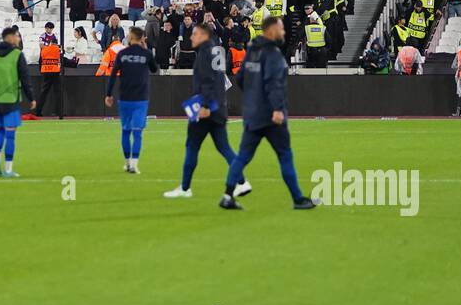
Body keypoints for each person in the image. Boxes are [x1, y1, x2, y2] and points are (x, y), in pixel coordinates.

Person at [219, 17, 315, 211]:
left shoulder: (252, 51)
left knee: (243, 156)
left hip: (252, 113)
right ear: (271, 31)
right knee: (285, 155)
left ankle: (227, 195)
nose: (284, 32)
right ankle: (297, 198)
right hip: (271, 116)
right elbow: (274, 85)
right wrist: (278, 109)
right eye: (281, 29)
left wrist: (254, 98)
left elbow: (241, 79)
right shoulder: (273, 55)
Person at [163, 23, 250, 199]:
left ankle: (185, 188)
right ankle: (242, 182)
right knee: (224, 148)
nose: (191, 37)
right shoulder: (217, 50)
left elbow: (209, 81)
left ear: (204, 35)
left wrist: (205, 107)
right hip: (218, 108)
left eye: (194, 34)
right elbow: (219, 80)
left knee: (192, 147)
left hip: (206, 109)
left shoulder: (205, 52)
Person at [0, 25, 33, 178]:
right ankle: (8, 169)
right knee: (10, 134)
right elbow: (25, 78)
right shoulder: (17, 55)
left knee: (0, 131)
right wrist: (31, 98)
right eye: (16, 35)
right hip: (10, 99)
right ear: (9, 37)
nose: (18, 38)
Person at [105, 27, 157, 174]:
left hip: (125, 97)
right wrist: (146, 50)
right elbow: (154, 69)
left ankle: (127, 163)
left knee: (126, 131)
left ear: (132, 37)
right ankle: (134, 164)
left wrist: (109, 94)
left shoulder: (122, 54)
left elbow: (113, 75)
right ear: (141, 39)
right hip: (141, 98)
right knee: (137, 132)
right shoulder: (146, 54)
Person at [31, 25, 63, 118]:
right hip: (55, 71)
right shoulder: (43, 36)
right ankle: (59, 113)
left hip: (46, 70)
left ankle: (39, 111)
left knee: (44, 91)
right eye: (48, 28)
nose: (49, 29)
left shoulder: (51, 41)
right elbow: (60, 56)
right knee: (57, 91)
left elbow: (42, 51)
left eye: (51, 28)